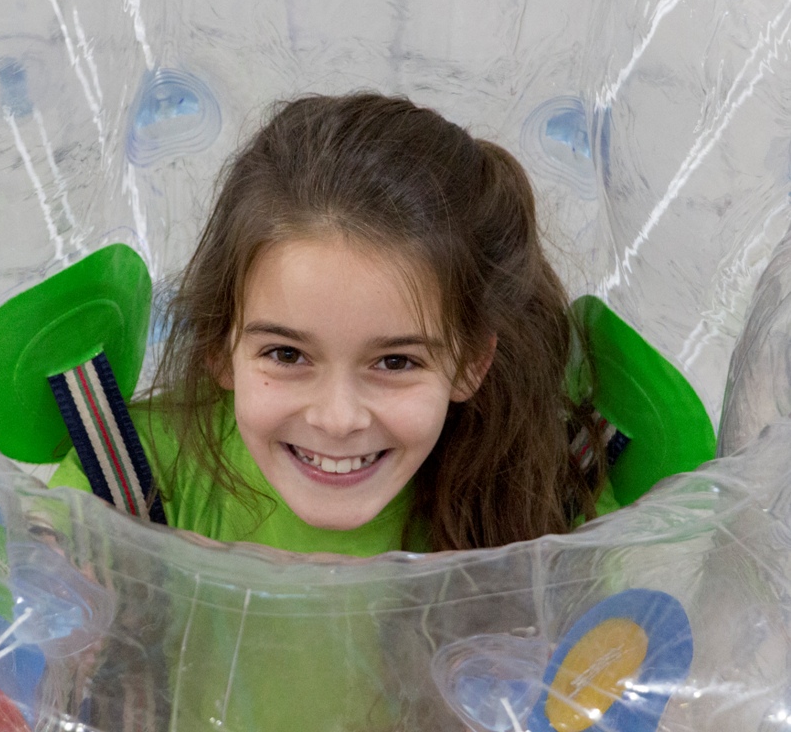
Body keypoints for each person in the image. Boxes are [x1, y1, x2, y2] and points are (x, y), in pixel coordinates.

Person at [49, 92, 607, 555]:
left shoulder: (555, 507)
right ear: (219, 344)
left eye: (396, 362)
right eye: (286, 354)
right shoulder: (120, 480)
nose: (337, 420)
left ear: (471, 364)